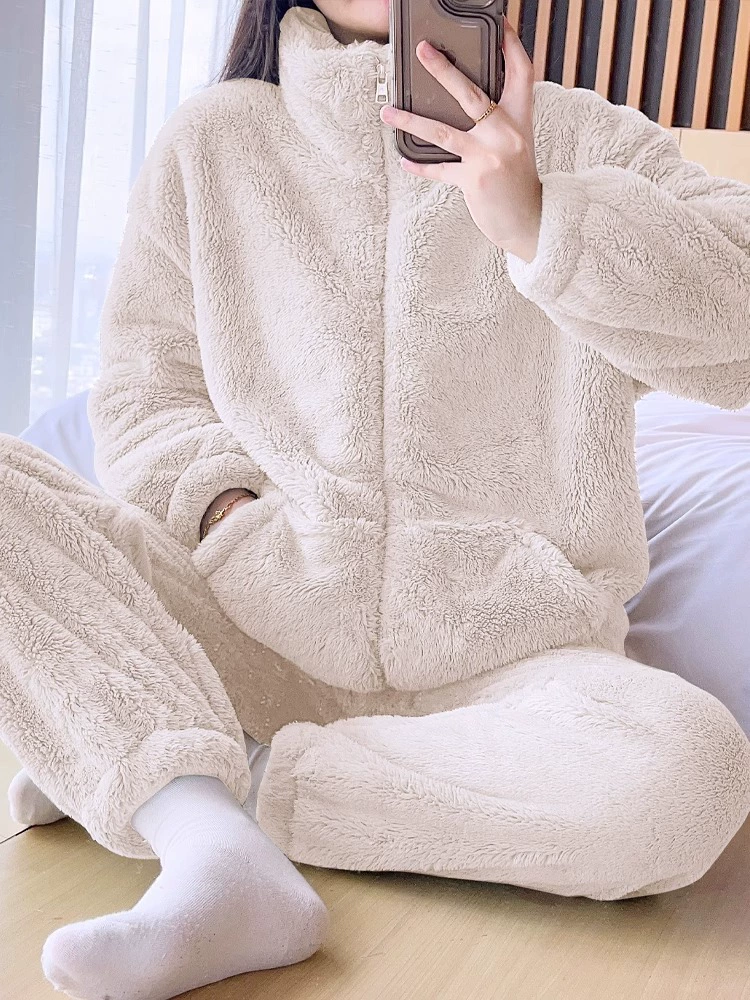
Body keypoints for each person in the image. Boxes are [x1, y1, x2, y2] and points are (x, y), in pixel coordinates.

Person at [2, 1, 749, 998]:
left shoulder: (583, 139)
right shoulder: (214, 141)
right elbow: (147, 394)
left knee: (689, 777)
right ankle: (195, 813)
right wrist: (228, 514)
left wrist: (539, 217)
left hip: (511, 672)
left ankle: (199, 791)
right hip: (246, 624)